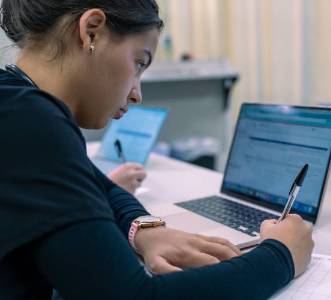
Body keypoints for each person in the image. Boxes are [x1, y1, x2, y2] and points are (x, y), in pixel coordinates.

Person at [0, 1, 314, 299]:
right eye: (138, 63)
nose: (137, 94)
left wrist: (147, 229)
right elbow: (133, 296)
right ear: (91, 31)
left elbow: (102, 186)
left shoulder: (15, 100)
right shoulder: (30, 120)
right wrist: (281, 255)